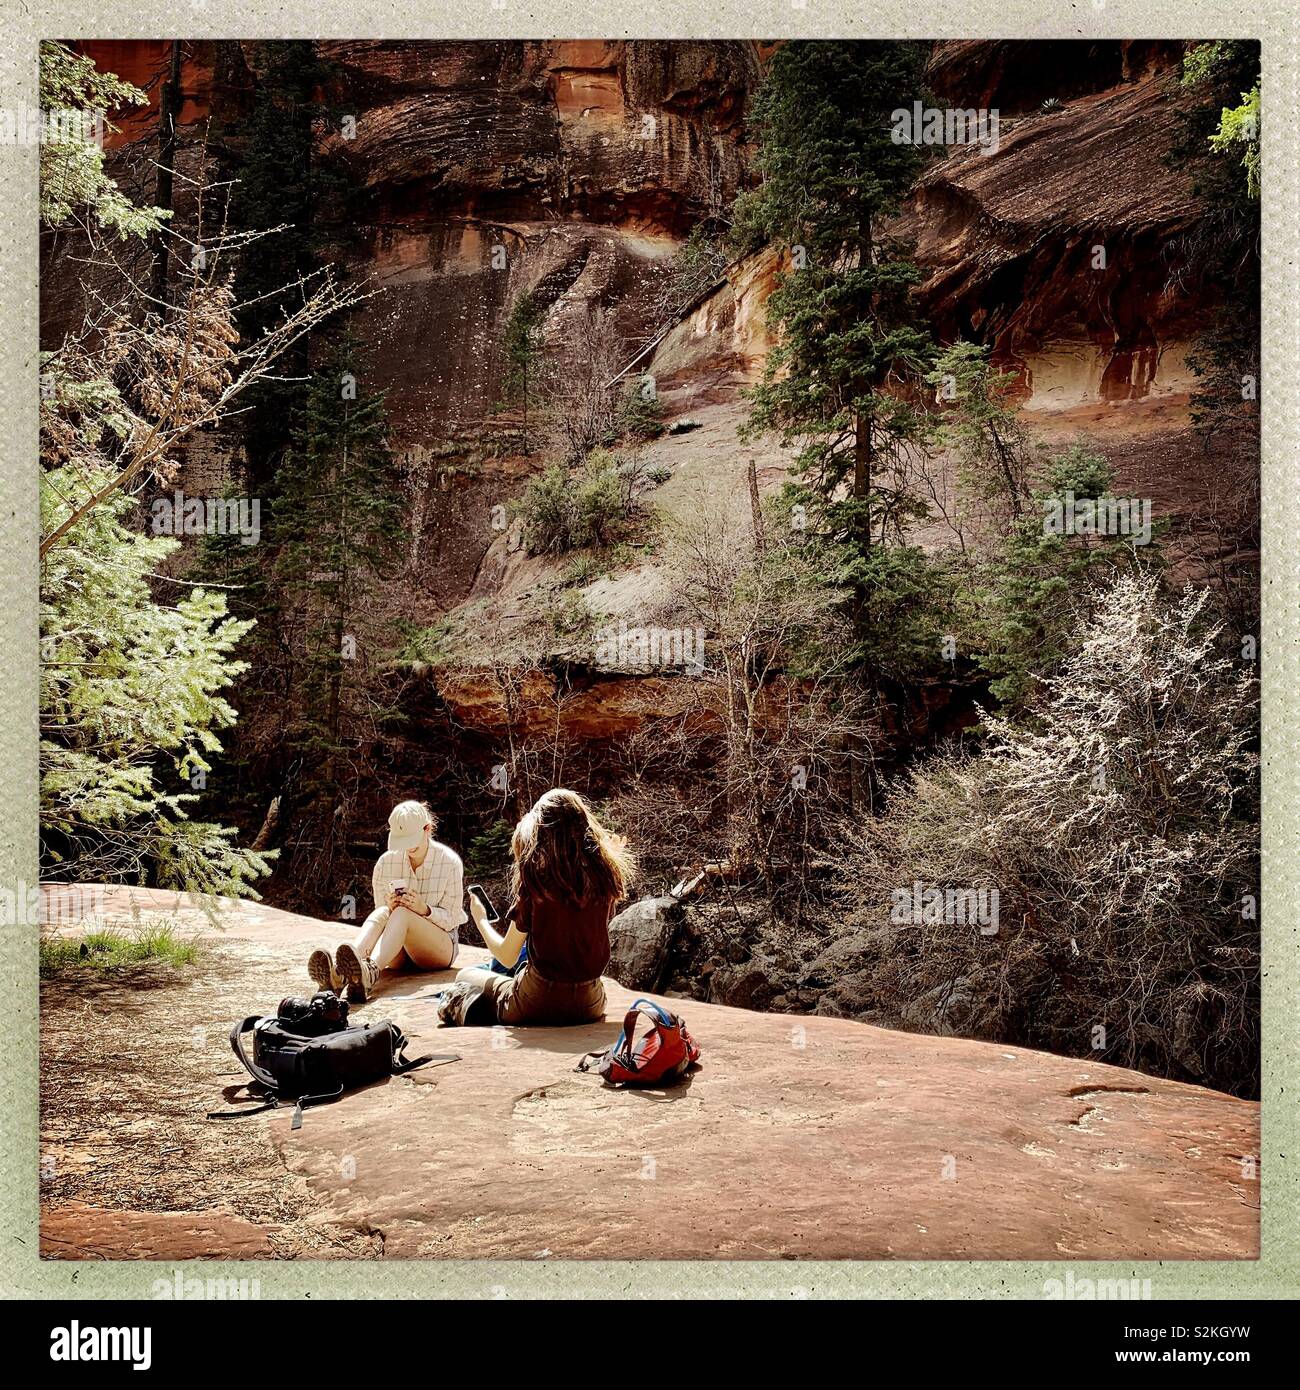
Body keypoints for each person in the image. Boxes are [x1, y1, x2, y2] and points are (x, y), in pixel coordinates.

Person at [456, 788, 634, 1026]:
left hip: (536, 1002)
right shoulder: (604, 877)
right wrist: (609, 856)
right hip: (590, 1002)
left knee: (465, 975)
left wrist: (480, 920)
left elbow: (507, 956)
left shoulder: (536, 881)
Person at [308, 800, 466, 1002]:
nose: (408, 847)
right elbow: (384, 918)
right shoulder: (385, 863)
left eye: (412, 841)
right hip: (398, 952)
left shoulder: (449, 863)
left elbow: (452, 918)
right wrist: (390, 907)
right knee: (382, 912)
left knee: (402, 913)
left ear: (427, 829)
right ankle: (341, 975)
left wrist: (424, 909)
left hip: (439, 948)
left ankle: (369, 972)